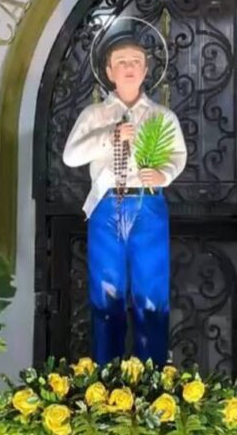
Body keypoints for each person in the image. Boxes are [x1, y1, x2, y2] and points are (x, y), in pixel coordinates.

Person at [62, 37, 187, 366]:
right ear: (109, 71)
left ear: (145, 70)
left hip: (147, 204)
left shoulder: (161, 116)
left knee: (151, 294)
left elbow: (177, 155)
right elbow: (71, 155)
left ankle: (152, 375)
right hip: (108, 204)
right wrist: (110, 136)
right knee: (107, 293)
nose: (129, 68)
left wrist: (163, 174)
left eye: (135, 62)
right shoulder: (95, 115)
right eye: (121, 62)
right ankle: (107, 374)